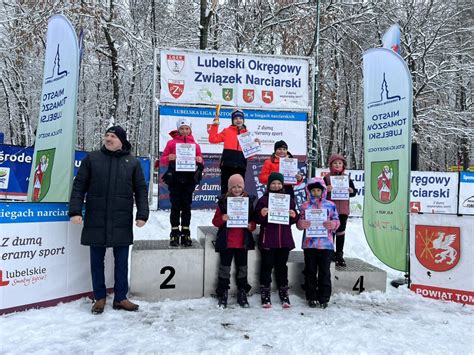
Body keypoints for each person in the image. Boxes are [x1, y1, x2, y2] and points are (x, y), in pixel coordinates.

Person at [69, 125, 149, 314]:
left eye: (112, 136)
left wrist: (142, 214)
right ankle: (100, 297)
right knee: (97, 260)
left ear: (121, 140)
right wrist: (75, 210)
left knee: (121, 261)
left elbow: (141, 189)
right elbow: (79, 185)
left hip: (121, 217)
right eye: (106, 135)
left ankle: (121, 298)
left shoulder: (132, 162)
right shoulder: (93, 158)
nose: (108, 138)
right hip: (96, 216)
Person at [254, 172, 299, 308]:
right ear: (269, 185)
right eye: (273, 183)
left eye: (279, 183)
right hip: (268, 239)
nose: (276, 185)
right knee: (266, 266)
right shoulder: (263, 200)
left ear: (283, 184)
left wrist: (293, 215)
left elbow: (293, 218)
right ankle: (265, 292)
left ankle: (283, 291)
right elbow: (256, 218)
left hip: (284, 240)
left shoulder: (288, 199)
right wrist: (261, 214)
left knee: (282, 267)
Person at [212, 174, 256, 308]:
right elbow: (215, 222)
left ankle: (242, 292)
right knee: (224, 269)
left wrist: (251, 226)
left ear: (243, 187)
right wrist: (222, 218)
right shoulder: (223, 202)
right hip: (227, 242)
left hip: (243, 242)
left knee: (243, 269)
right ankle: (223, 292)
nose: (237, 189)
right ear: (229, 188)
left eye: (239, 186)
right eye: (234, 187)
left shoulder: (248, 202)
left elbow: (253, 221)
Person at [297, 177, 340, 309]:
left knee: (324, 271)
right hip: (310, 244)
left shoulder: (330, 205)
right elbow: (300, 222)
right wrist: (301, 224)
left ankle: (324, 296)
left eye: (318, 190)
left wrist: (332, 224)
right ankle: (311, 296)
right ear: (309, 191)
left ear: (323, 191)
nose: (316, 193)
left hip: (326, 245)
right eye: (313, 190)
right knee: (310, 270)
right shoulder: (305, 205)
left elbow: (337, 221)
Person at [160, 118, 204, 247]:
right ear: (178, 130)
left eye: (186, 128)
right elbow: (162, 160)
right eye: (182, 128)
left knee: (186, 206)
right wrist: (168, 157)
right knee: (175, 206)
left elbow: (201, 162)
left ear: (190, 130)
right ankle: (174, 233)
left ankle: (186, 232)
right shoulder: (171, 143)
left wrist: (199, 160)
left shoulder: (195, 145)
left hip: (189, 178)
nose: (184, 131)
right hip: (175, 178)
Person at [323, 153, 357, 267]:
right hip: (330, 210)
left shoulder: (347, 178)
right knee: (330, 231)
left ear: (343, 165)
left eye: (340, 163)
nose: (337, 165)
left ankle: (339, 254)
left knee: (341, 232)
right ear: (331, 165)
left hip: (343, 210)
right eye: (335, 163)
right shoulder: (327, 178)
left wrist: (351, 190)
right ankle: (329, 253)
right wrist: (325, 189)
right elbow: (319, 193)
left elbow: (354, 193)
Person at [208, 108, 250, 194]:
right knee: (225, 189)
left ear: (243, 120)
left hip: (241, 166)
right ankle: (224, 207)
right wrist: (215, 125)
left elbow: (250, 154)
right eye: (235, 118)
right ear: (232, 120)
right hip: (227, 166)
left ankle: (237, 207)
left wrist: (256, 144)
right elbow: (212, 139)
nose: (238, 120)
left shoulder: (247, 134)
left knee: (239, 190)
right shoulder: (227, 131)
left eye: (240, 118)